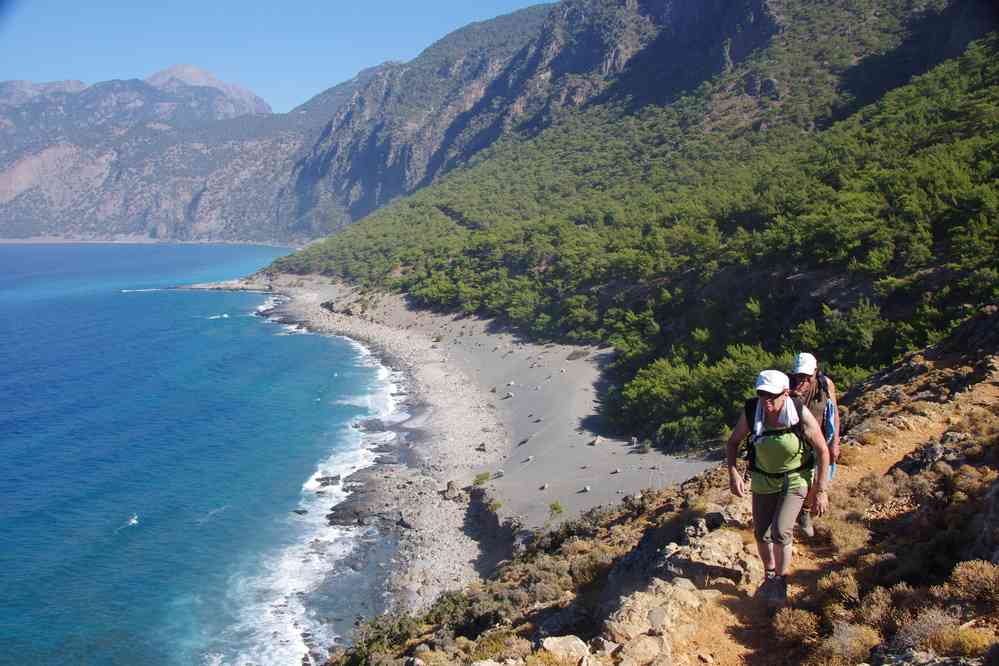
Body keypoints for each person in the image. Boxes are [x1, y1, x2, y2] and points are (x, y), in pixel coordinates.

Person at [726, 370, 830, 607]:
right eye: (762, 395)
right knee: (761, 532)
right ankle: (770, 575)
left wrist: (820, 490)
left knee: (781, 530)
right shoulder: (753, 411)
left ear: (785, 393)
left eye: (772, 396)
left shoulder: (799, 413)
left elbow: (822, 450)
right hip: (763, 479)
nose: (766, 401)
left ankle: (781, 582)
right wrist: (733, 473)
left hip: (795, 479)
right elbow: (733, 442)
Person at [789, 352, 840, 537]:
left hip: (817, 439)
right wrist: (791, 396)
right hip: (792, 440)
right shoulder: (786, 385)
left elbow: (834, 413)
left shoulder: (825, 384)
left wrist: (835, 442)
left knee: (816, 478)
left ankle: (805, 511)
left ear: (815, 372)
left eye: (806, 376)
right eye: (799, 376)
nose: (802, 380)